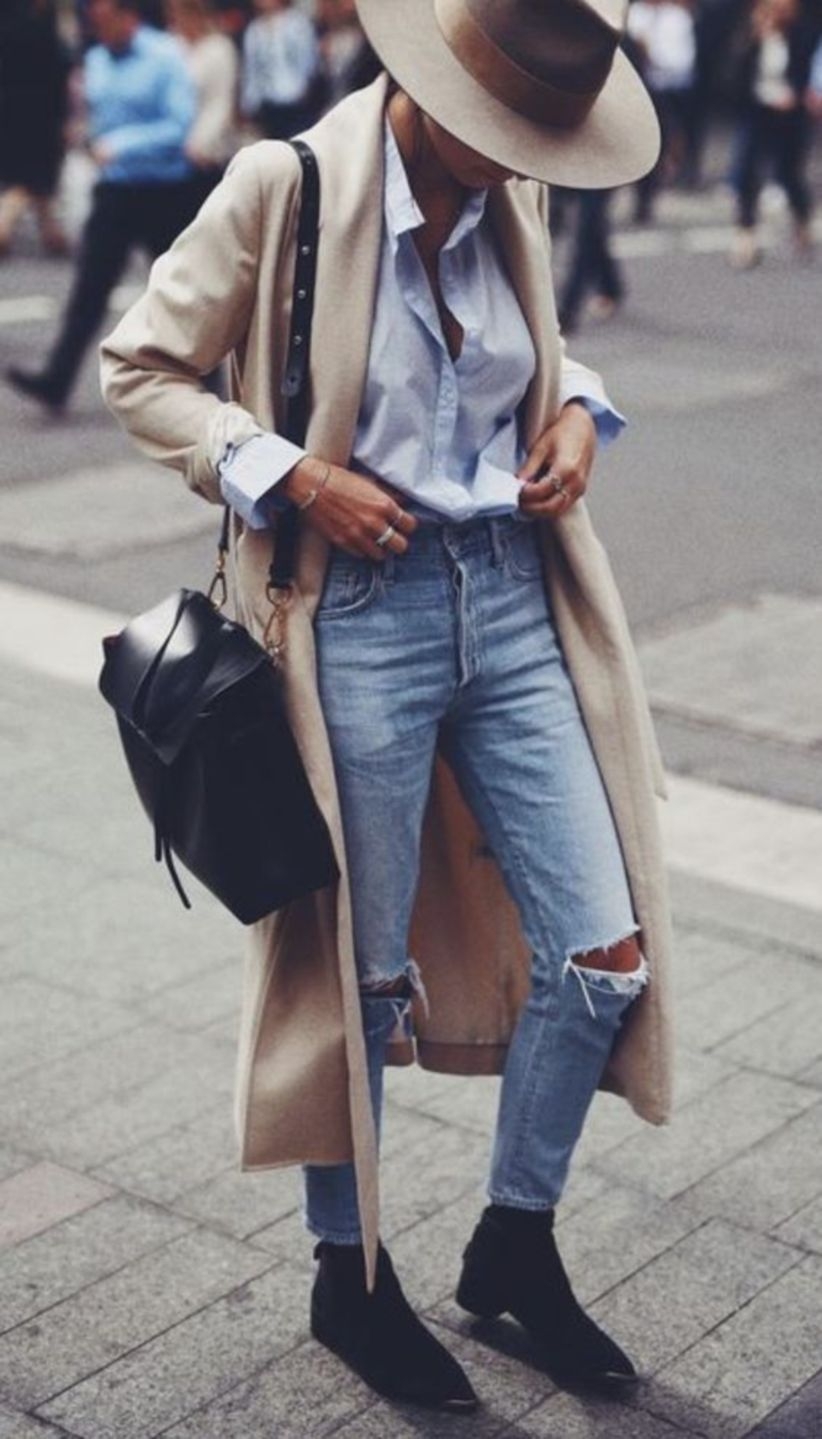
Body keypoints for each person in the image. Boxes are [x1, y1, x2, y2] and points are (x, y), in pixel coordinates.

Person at [100, 0, 674, 1413]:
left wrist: (574, 417)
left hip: (512, 595)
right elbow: (141, 369)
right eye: (491, 137)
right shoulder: (283, 186)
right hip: (355, 615)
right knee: (355, 972)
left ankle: (513, 1241)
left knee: (602, 949)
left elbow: (537, 355)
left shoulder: (517, 184)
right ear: (429, 89)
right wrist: (290, 471)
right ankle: (345, 1273)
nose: (504, 164)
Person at [5, 0, 196, 413]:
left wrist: (122, 144)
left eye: (107, 21)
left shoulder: (164, 54)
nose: (100, 30)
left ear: (128, 16)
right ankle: (56, 379)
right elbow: (94, 117)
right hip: (116, 190)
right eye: (96, 23)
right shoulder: (95, 60)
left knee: (181, 291)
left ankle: (207, 377)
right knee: (89, 289)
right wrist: (83, 134)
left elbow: (180, 124)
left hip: (165, 190)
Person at [729, 0, 816, 268]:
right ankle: (746, 236)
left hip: (790, 117)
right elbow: (734, 77)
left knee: (788, 174)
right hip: (757, 112)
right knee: (745, 170)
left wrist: (796, 96)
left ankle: (802, 220)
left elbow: (806, 74)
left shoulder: (802, 34)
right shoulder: (751, 36)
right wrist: (755, 39)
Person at [0, 0, 72, 258]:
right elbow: (59, 62)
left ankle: (51, 232)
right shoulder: (31, 21)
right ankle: (3, 225)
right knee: (30, 178)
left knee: (39, 179)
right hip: (37, 111)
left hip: (13, 107)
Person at [166, 0, 240, 210]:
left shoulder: (219, 48)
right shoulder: (169, 46)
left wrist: (199, 144)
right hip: (170, 154)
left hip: (204, 155)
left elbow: (219, 103)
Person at [628, 0, 698, 220]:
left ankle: (647, 196)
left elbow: (682, 62)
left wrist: (651, 55)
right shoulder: (632, 13)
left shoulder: (677, 18)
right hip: (634, 89)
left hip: (665, 91)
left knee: (658, 145)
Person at [240, 0, 320, 138]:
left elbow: (307, 58)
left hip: (295, 100)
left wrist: (304, 89)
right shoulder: (254, 30)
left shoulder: (298, 24)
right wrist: (248, 103)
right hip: (267, 103)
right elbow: (251, 70)